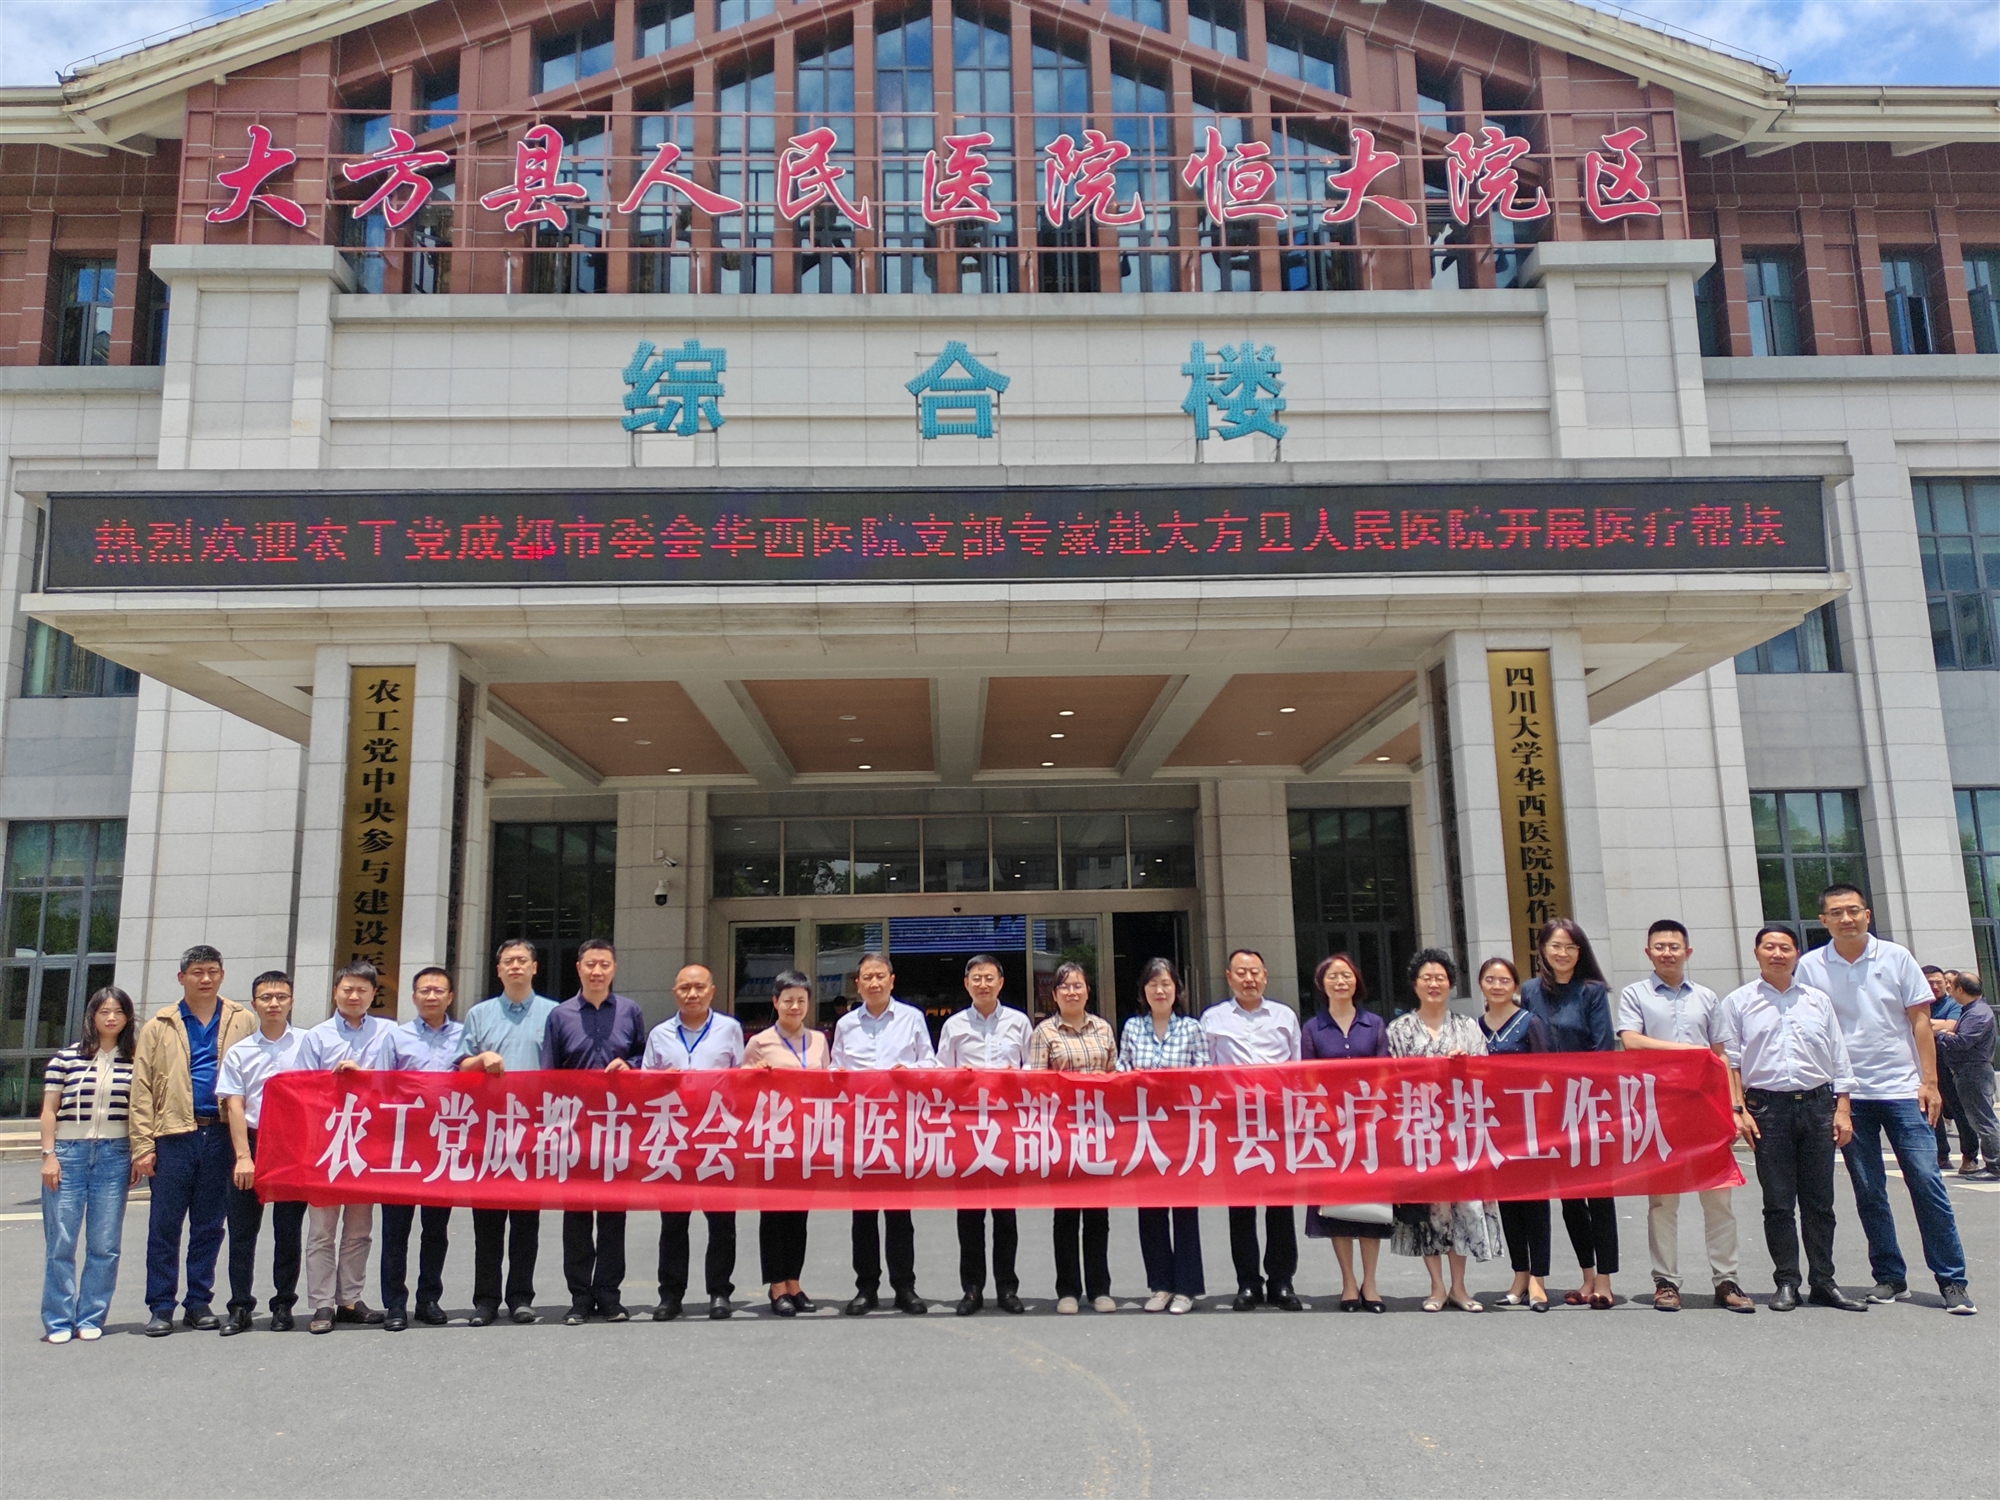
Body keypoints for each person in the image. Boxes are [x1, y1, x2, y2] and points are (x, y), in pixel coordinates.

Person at [1796, 885, 1975, 1314]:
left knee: (1927, 1183)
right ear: (1823, 921)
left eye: (1853, 910)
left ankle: (1952, 1281)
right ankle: (1890, 1276)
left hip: (1903, 1090)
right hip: (1849, 1095)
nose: (1846, 919)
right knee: (1869, 1190)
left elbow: (1920, 1021)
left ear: (1867, 914)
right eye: (1836, 912)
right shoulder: (1811, 967)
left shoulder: (1896, 958)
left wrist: (1929, 1082)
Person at [1714, 926, 1864, 1311]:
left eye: (1785, 947)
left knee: (1820, 1202)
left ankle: (1824, 1281)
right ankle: (1786, 1282)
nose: (1777, 954)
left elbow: (1838, 1056)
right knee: (1778, 1203)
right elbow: (1731, 1062)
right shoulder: (1739, 1002)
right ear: (1757, 953)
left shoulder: (1817, 1000)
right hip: (1767, 1109)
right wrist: (1738, 1109)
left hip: (1817, 1105)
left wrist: (1843, 1108)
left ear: (1797, 954)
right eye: (1769, 947)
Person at [1616, 920, 1754, 1314]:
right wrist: (1687, 1052)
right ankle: (1666, 1282)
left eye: (1674, 947)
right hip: (1659, 1109)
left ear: (1687, 952)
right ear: (1648, 953)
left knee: (1718, 1199)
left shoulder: (1707, 997)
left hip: (1706, 1107)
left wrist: (1734, 1107)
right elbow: (1631, 1041)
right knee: (1662, 1202)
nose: (1667, 953)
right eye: (1659, 947)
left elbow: (1721, 1054)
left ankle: (1726, 1279)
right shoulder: (1635, 994)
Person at [131, 944, 255, 1336]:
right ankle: (161, 1306)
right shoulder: (159, 1025)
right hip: (173, 1136)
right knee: (164, 1226)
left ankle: (198, 1301)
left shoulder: (242, 1019)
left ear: (222, 975)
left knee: (209, 1225)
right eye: (197, 972)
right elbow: (141, 1089)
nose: (205, 979)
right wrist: (142, 1145)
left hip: (220, 1133)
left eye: (212, 971)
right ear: (181, 977)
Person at [1388, 950, 1504, 1313]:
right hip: (1420, 1130)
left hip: (1460, 1131)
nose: (1434, 984)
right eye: (1427, 978)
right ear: (1415, 984)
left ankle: (1459, 1286)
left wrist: (1465, 1066)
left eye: (1440, 978)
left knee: (1461, 1207)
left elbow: (1487, 1076)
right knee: (1430, 1210)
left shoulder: (1468, 1027)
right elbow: (1391, 1081)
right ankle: (1436, 1286)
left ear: (1451, 984)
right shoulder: (1399, 1030)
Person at [542, 938, 646, 1326]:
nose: (597, 971)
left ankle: (609, 1295)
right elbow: (549, 1073)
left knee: (614, 1217)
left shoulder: (630, 1011)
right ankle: (580, 1297)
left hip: (618, 1128)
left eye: (604, 964)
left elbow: (643, 1056)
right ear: (579, 968)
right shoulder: (560, 1015)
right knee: (577, 1218)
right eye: (590, 964)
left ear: (614, 968)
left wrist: (630, 1066)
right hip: (575, 1130)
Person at [456, 938, 558, 1326]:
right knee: (487, 1223)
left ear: (534, 967)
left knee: (526, 1222)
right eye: (508, 961)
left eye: (522, 960)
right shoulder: (479, 1014)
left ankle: (520, 1297)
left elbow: (565, 1072)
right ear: (498, 969)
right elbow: (460, 1066)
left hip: (533, 1132)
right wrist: (480, 1058)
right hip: (488, 1133)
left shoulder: (554, 1014)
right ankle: (485, 1300)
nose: (515, 966)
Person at [1520, 918, 1619, 1309]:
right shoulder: (1529, 991)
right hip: (1546, 1109)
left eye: (1570, 947)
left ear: (1581, 952)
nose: (1562, 953)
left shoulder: (1592, 992)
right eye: (1555, 946)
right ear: (1542, 949)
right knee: (1570, 1198)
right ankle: (1587, 1276)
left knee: (1599, 1194)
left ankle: (1605, 1281)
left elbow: (1602, 1049)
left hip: (1588, 1104)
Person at [830, 951, 934, 1315]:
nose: (874, 983)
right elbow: (835, 1069)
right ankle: (866, 1288)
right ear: (857, 984)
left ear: (892, 980)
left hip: (900, 1126)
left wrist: (910, 1071)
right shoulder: (846, 1025)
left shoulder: (912, 1018)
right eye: (867, 977)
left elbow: (931, 1063)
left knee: (899, 1213)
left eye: (880, 976)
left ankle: (905, 1287)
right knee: (863, 1214)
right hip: (859, 1129)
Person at [1200, 949, 1303, 1312]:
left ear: (1265, 975)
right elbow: (1205, 1072)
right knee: (1241, 1207)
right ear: (1228, 977)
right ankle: (1247, 1283)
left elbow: (1297, 1070)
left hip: (1277, 1122)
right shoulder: (1212, 1019)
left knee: (1280, 1205)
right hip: (1235, 1123)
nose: (1249, 979)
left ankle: (1282, 1282)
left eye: (1255, 972)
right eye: (1241, 973)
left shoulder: (1284, 1016)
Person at [642, 962, 744, 1320]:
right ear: (675, 993)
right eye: (685, 988)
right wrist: (660, 1082)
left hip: (717, 1135)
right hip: (673, 1137)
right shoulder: (659, 1034)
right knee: (673, 1222)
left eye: (699, 987)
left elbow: (742, 1080)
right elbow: (643, 1085)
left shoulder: (730, 1029)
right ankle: (671, 1295)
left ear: (712, 991)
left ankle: (719, 1291)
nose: (692, 994)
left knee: (721, 1221)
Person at [297, 960, 394, 1333]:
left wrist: (368, 1077)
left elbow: (401, 1082)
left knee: (359, 1228)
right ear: (335, 992)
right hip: (327, 1143)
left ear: (373, 994)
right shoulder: (317, 1037)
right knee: (322, 1229)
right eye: (347, 989)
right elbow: (301, 1091)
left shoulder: (388, 1032)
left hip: (369, 1144)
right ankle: (322, 1304)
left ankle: (350, 1299)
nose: (354, 996)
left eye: (362, 990)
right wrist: (332, 1080)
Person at [935, 952, 1032, 1315]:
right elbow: (940, 1073)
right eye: (976, 978)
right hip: (967, 1130)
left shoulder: (1019, 1023)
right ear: (966, 984)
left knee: (1006, 1214)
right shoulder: (954, 1025)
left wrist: (1015, 1077)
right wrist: (958, 1079)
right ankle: (972, 1289)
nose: (983, 984)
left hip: (1006, 1129)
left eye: (989, 978)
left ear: (1001, 982)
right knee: (969, 1215)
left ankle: (1007, 1288)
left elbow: (1034, 1070)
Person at [39, 986, 138, 1343]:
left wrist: (137, 1153)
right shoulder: (65, 1058)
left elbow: (140, 1112)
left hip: (114, 1154)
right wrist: (49, 1155)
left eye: (118, 1012)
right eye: (104, 1011)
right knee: (61, 1242)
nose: (111, 1018)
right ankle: (58, 1320)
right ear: (92, 1016)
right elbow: (49, 1111)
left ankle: (91, 1316)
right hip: (68, 1153)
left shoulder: (135, 1060)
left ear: (127, 1018)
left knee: (105, 1243)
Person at [215, 971, 310, 1335]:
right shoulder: (240, 1051)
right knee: (242, 1230)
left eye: (281, 997)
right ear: (254, 1003)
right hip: (251, 1142)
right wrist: (243, 1156)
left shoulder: (308, 1044)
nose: (274, 1003)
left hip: (292, 1145)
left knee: (288, 1229)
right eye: (266, 997)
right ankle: (240, 1306)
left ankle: (283, 1304)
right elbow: (235, 1105)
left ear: (291, 1001)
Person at [375, 965, 465, 1330]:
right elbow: (380, 1089)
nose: (431, 996)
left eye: (438, 990)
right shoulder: (396, 1037)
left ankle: (429, 1299)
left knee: (436, 1229)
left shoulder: (464, 1036)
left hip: (444, 1144)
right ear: (413, 996)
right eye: (424, 990)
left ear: (450, 997)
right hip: (402, 1146)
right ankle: (395, 1304)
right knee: (395, 1231)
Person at [1299, 953, 1389, 1313]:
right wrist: (1329, 1116)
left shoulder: (1374, 1024)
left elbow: (1384, 1073)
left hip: (1369, 1128)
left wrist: (1368, 1115)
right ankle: (1348, 1282)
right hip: (1331, 1130)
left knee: (1370, 1205)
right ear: (1322, 984)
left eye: (1346, 976)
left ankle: (1371, 1282)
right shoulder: (1312, 1028)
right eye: (1333, 976)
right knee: (1337, 1206)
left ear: (1356, 982)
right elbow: (1307, 1078)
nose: (1340, 982)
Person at [1118, 957, 1208, 1315]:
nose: (1160, 990)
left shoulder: (1192, 1029)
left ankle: (1186, 1287)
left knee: (1185, 1210)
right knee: (1151, 1210)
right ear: (1144, 990)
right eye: (1153, 984)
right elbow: (1122, 1072)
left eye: (1166, 984)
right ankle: (1160, 1284)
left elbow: (1203, 1074)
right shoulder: (1131, 1028)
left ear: (1177, 990)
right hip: (1144, 1131)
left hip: (1182, 1131)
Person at [1030, 960, 1118, 1314]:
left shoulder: (1103, 1029)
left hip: (1098, 1133)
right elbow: (1036, 1086)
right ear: (1054, 995)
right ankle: (1067, 1290)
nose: (1072, 992)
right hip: (1062, 1134)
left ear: (1087, 990)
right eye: (1065, 986)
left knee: (1098, 1216)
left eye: (1078, 985)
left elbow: (1115, 1077)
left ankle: (1099, 1289)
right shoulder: (1044, 1033)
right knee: (1065, 1216)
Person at [742, 969, 829, 1316]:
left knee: (799, 1214)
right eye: (788, 1000)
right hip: (772, 1140)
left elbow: (828, 1085)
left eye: (801, 1000)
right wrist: (754, 1074)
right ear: (775, 1002)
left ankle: (795, 1282)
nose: (795, 1007)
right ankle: (776, 1285)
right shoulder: (759, 1042)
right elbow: (739, 1089)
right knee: (773, 1214)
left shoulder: (819, 1041)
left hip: (807, 1138)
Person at [1476, 956, 1554, 1312]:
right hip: (1492, 1127)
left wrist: (1543, 1123)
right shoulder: (1475, 1027)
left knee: (1535, 1203)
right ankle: (1519, 1274)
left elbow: (1546, 1073)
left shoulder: (1529, 1023)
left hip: (1529, 1125)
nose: (1497, 986)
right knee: (1508, 1204)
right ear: (1481, 985)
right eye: (1490, 980)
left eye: (1504, 980)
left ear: (1515, 986)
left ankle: (1538, 1278)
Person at [1935, 974, 1998, 1182]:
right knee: (1980, 1119)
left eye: (1952, 986)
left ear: (1960, 989)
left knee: (1983, 1120)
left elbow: (1962, 1041)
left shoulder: (1977, 1013)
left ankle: (1995, 1165)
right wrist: (1948, 1034)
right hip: (1969, 1072)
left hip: (1974, 1072)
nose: (1949, 989)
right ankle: (1993, 1164)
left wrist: (1941, 1034)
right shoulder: (1972, 1010)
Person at [1923, 966, 1976, 1172]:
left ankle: (1970, 1156)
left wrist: (1920, 1024)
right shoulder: (1917, 1004)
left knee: (1959, 1111)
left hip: (1949, 1065)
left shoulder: (1953, 1004)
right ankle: (1941, 1155)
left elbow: (1952, 1025)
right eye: (1929, 983)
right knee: (1930, 1111)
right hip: (1924, 1064)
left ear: (1946, 983)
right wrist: (1936, 1025)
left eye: (1938, 982)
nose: (1934, 986)